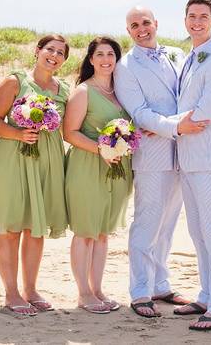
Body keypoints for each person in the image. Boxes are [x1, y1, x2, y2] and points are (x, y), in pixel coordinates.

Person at [114, 6, 197, 318]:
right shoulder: (126, 66)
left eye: (145, 22)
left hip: (182, 152)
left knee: (168, 223)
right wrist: (176, 126)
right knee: (147, 222)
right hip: (151, 153)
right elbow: (139, 112)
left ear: (156, 23)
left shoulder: (177, 53)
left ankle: (161, 284)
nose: (141, 29)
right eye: (134, 25)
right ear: (129, 31)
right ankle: (139, 291)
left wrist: (177, 128)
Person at [0, 34, 70, 315]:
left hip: (47, 161)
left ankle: (31, 288)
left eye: (61, 53)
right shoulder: (15, 81)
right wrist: (19, 133)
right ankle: (11, 292)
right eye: (50, 49)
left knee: (36, 229)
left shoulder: (63, 90)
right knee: (11, 227)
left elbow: (69, 128)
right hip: (14, 157)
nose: (54, 55)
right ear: (37, 51)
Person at [171, 0, 211, 331]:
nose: (196, 22)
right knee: (197, 232)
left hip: (209, 160)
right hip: (187, 159)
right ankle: (206, 294)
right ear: (185, 21)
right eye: (191, 16)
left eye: (203, 17)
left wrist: (166, 126)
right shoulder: (189, 58)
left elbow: (207, 112)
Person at [64, 37, 132, 314]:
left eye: (111, 54)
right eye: (100, 54)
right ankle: (83, 293)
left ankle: (97, 288)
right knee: (85, 231)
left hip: (115, 169)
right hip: (88, 165)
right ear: (91, 60)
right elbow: (69, 133)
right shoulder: (83, 91)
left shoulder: (120, 92)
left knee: (102, 233)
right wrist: (100, 149)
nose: (106, 59)